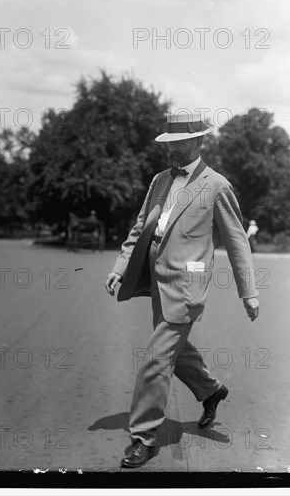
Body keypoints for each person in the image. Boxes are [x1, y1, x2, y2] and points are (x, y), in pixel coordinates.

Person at [105, 112, 260, 468]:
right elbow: (141, 226)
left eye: (178, 142)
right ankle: (210, 390)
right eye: (168, 142)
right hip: (156, 277)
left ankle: (143, 437)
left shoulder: (217, 185)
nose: (171, 148)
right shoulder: (160, 179)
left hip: (187, 284)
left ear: (198, 141)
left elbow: (237, 241)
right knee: (174, 349)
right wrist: (119, 267)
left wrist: (248, 291)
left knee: (157, 359)